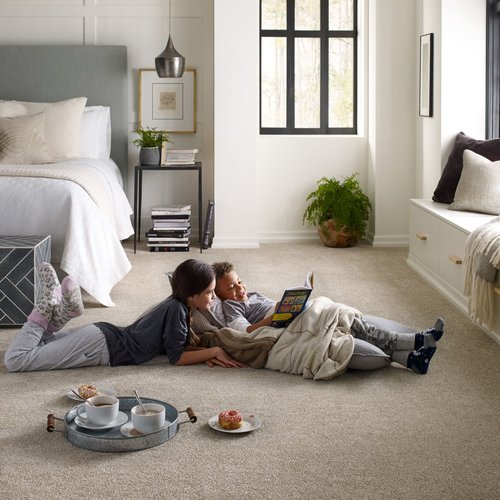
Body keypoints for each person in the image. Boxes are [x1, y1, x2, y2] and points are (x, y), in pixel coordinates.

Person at [4, 259, 245, 372]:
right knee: (18, 360)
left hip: (100, 337)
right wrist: (213, 351)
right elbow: (177, 358)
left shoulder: (177, 305)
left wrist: (204, 354)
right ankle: (45, 307)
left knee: (43, 343)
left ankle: (63, 312)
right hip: (101, 347)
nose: (213, 299)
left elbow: (176, 347)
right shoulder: (176, 310)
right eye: (210, 293)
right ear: (191, 294)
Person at [212, 261, 444, 375]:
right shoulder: (230, 307)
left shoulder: (249, 295)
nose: (239, 289)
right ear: (219, 294)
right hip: (283, 323)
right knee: (343, 320)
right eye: (231, 288)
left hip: (289, 315)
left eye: (240, 281)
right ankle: (415, 341)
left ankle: (412, 360)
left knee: (344, 320)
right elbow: (245, 332)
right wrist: (274, 316)